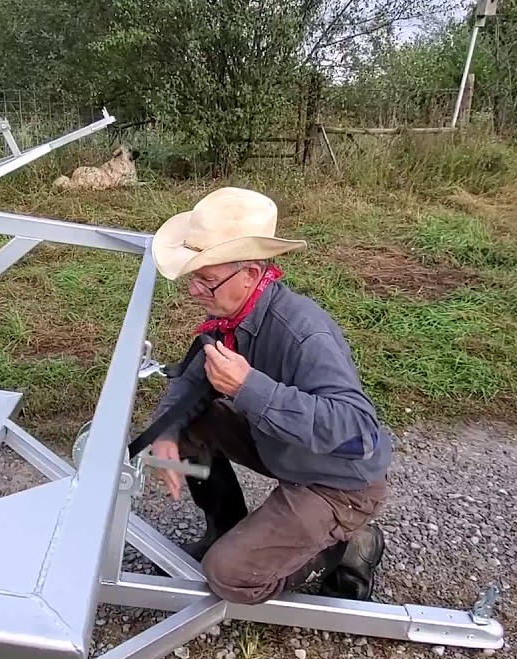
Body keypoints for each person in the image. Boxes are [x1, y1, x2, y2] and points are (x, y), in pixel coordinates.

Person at [147, 186, 395, 605]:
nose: (194, 292)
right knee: (191, 421)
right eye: (195, 278)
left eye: (206, 281)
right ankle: (224, 528)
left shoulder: (302, 333)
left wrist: (249, 388)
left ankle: (347, 544)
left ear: (251, 273)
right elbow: (192, 379)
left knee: (228, 576)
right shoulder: (232, 312)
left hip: (337, 482)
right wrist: (166, 433)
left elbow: (356, 430)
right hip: (286, 447)